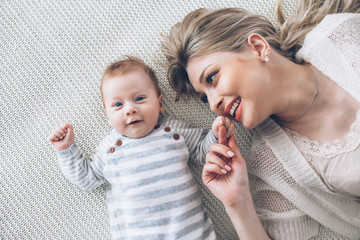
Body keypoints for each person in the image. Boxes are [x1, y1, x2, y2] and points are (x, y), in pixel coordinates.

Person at [161, 0, 360, 239]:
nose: (214, 104)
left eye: (212, 77)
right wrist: (238, 203)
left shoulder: (343, 37)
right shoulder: (271, 166)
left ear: (257, 47)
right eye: (205, 98)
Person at [48, 56, 236, 240]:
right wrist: (66, 149)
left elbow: (204, 152)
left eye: (139, 99)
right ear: (107, 113)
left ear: (160, 103)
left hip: (192, 233)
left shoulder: (174, 131)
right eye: (118, 104)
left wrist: (218, 132)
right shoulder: (110, 149)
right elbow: (88, 178)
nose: (130, 109)